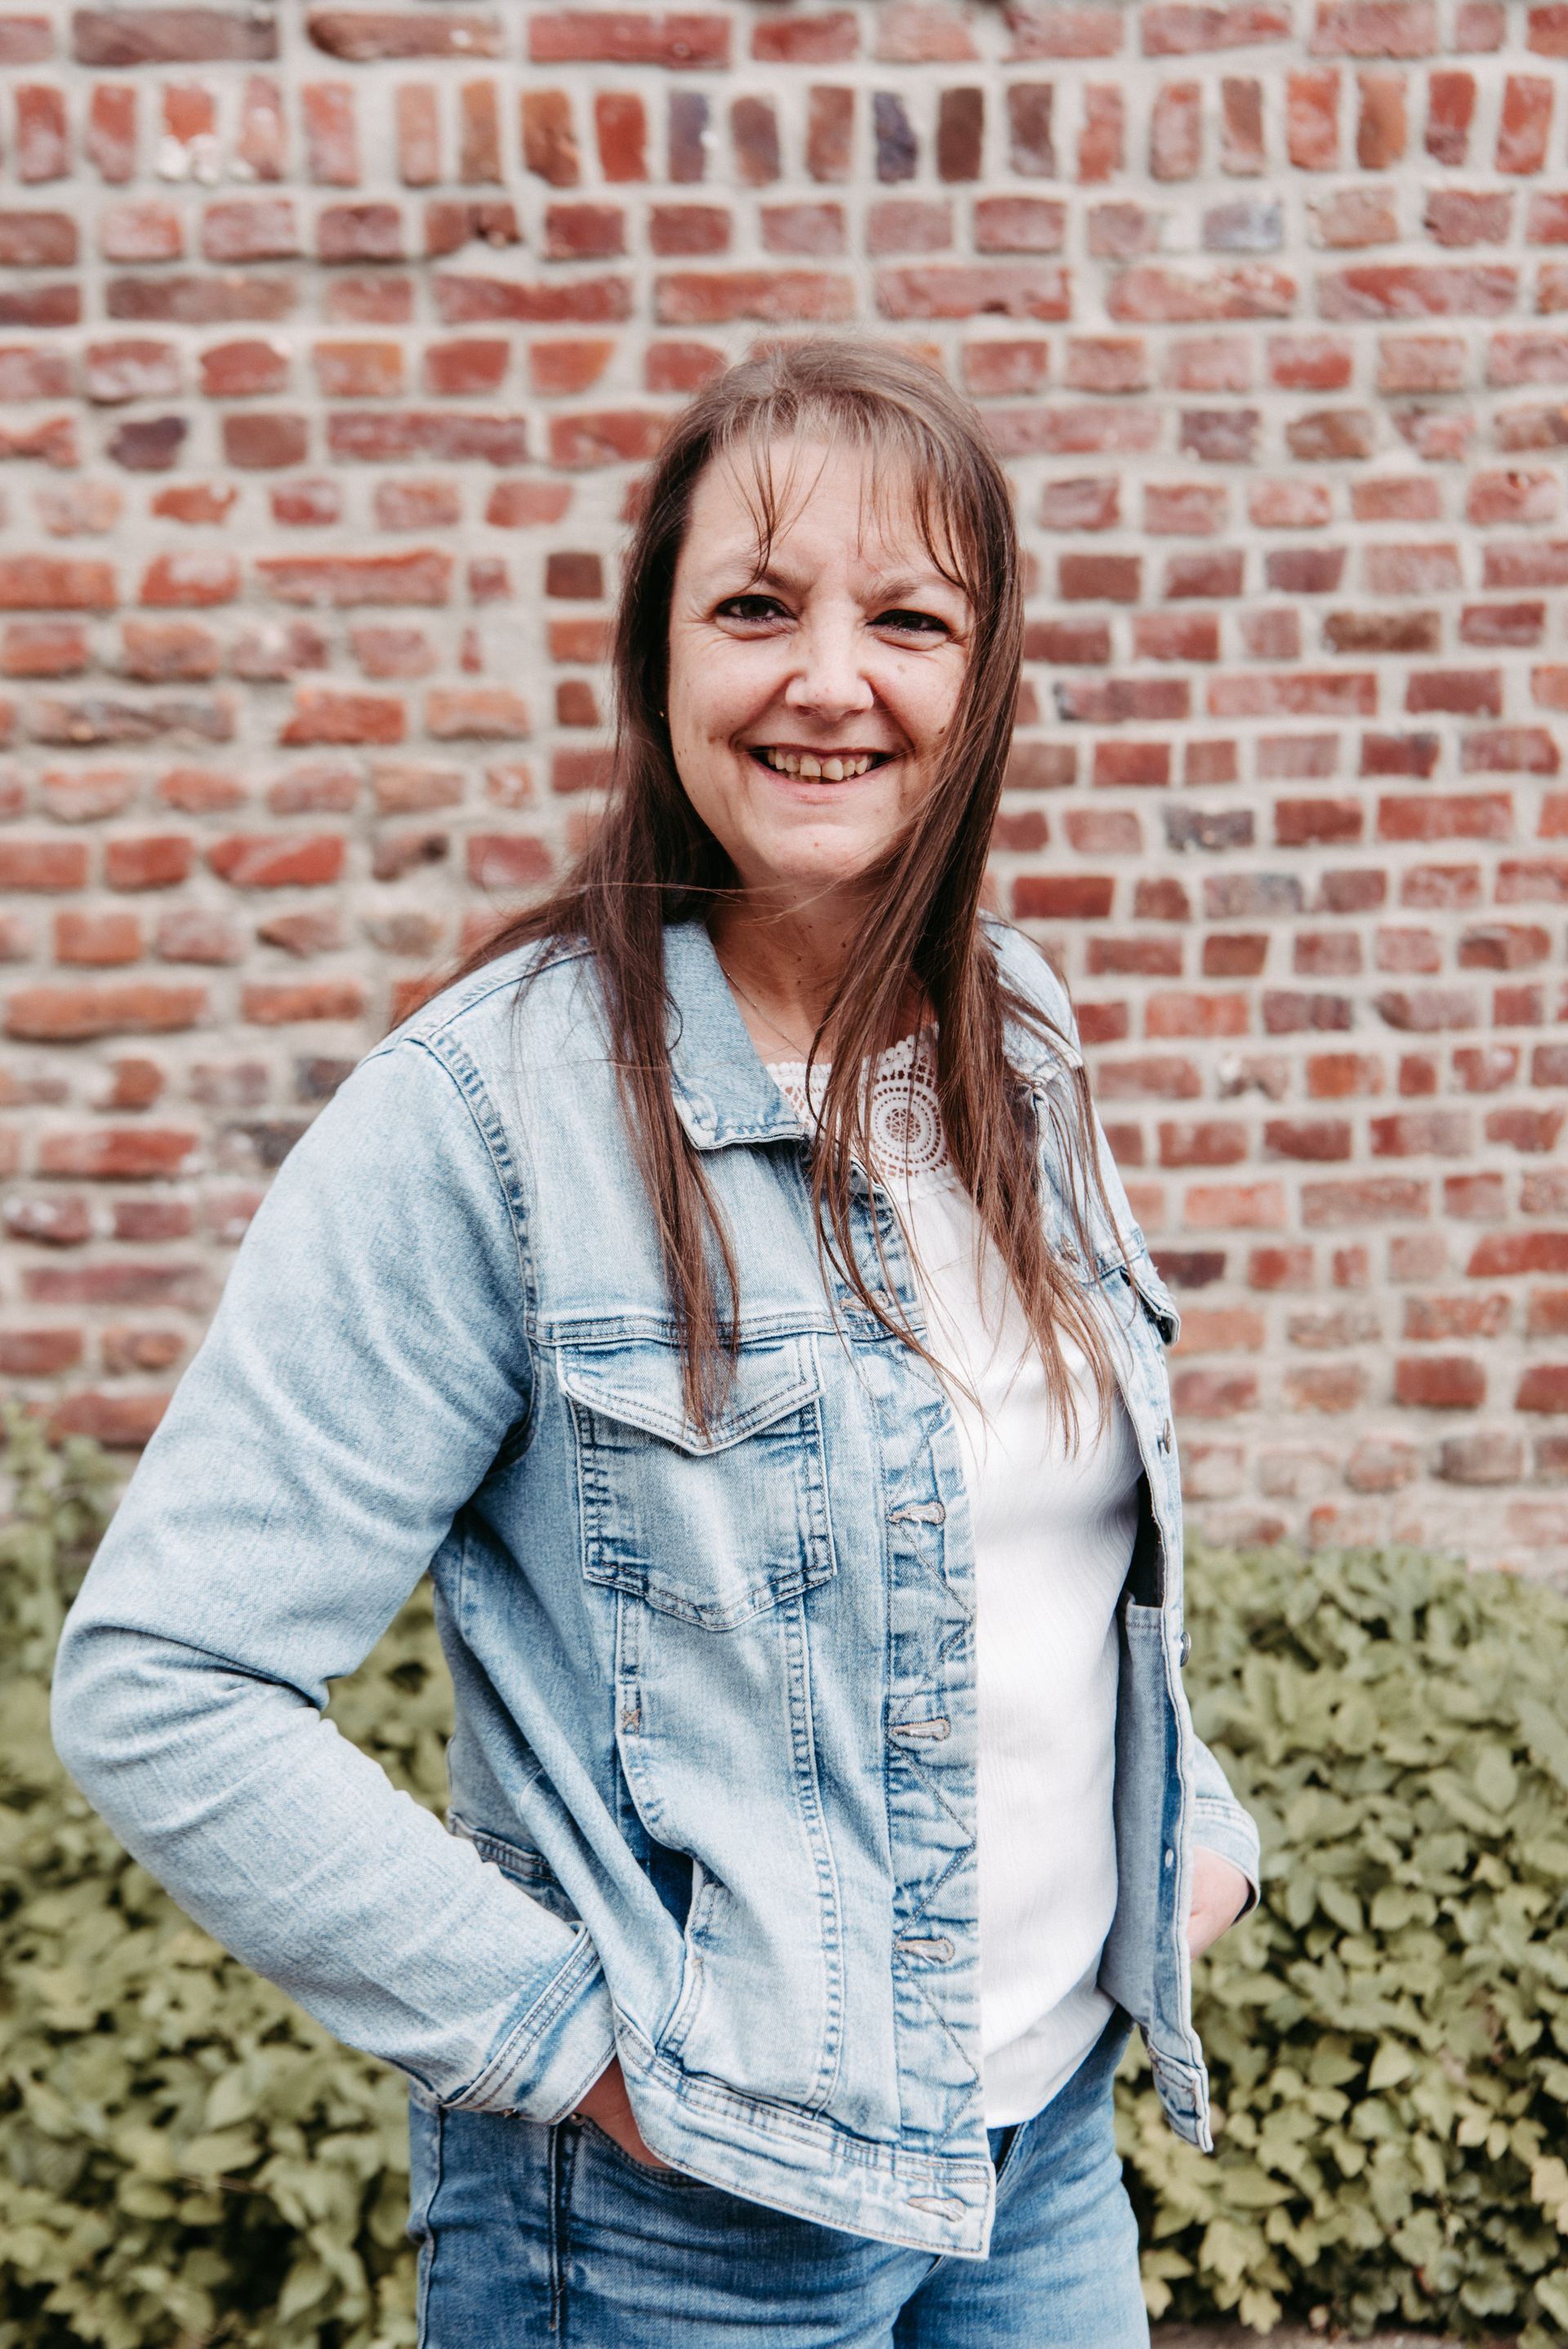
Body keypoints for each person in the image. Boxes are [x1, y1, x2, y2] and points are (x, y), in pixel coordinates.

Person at [52, 341, 1259, 2347]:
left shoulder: (1018, 1038)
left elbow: (1030, 1546)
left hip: (1039, 2161)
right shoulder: (489, 1118)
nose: (829, 679)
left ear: (983, 688)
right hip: (672, 2233)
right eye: (758, 608)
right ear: (659, 657)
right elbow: (166, 1678)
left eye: (908, 621)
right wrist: (579, 2047)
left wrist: (1186, 1832)